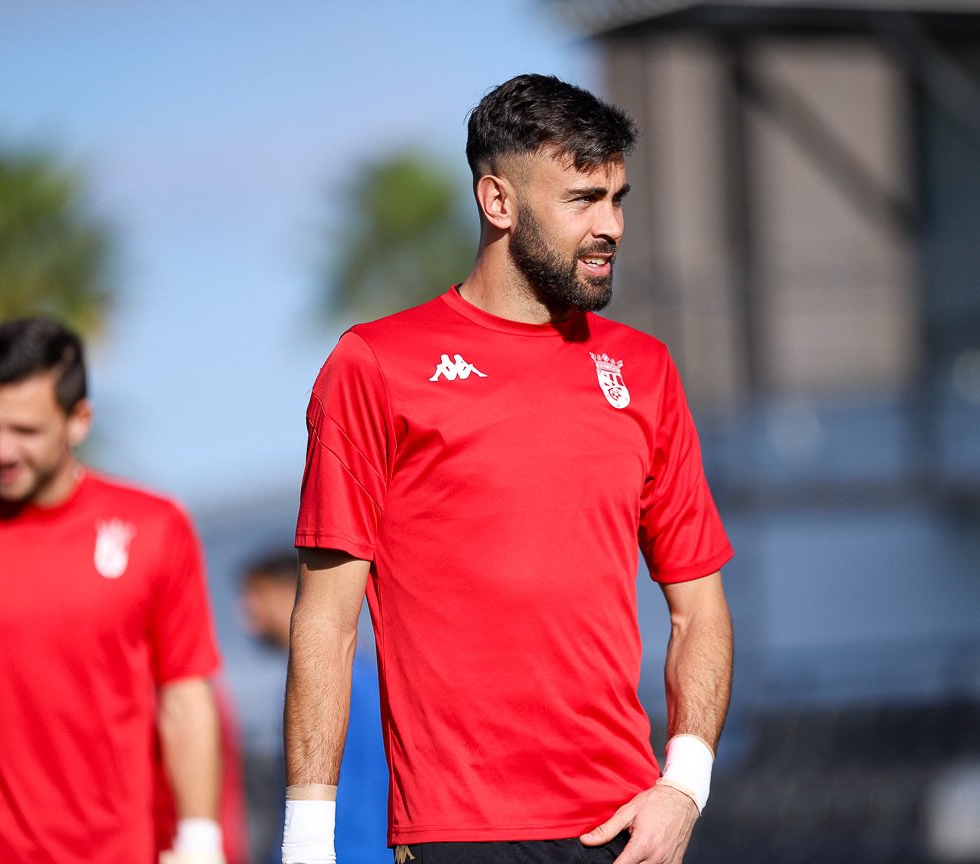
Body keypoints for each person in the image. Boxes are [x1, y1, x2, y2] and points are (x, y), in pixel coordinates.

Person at [282, 73, 734, 864]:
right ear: (498, 202)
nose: (612, 226)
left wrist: (685, 787)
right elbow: (326, 619)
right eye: (583, 199)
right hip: (461, 832)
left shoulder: (646, 370)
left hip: (626, 829)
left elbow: (698, 609)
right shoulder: (376, 364)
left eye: (618, 198)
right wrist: (307, 845)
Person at [0, 317, 227, 864]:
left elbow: (185, 696)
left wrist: (200, 840)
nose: (1, 449)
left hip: (109, 850)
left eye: (25, 431)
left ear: (80, 421)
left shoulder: (154, 528)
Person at [241, 552, 388, 864]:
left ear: (285, 594)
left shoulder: (332, 688)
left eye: (255, 597)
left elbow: (352, 792)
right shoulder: (360, 676)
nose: (247, 619)